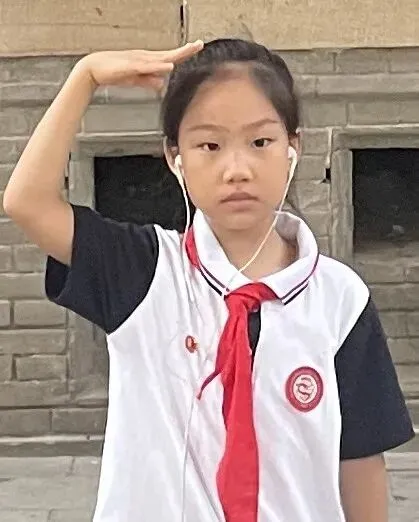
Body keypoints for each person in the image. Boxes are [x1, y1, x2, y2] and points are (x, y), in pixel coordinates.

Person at [3, 38, 414, 522]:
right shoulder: (145, 273)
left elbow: (360, 458)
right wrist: (85, 77)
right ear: (174, 155)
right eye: (209, 146)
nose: (236, 170)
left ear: (293, 147)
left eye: (260, 142)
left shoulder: (339, 299)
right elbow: (27, 202)